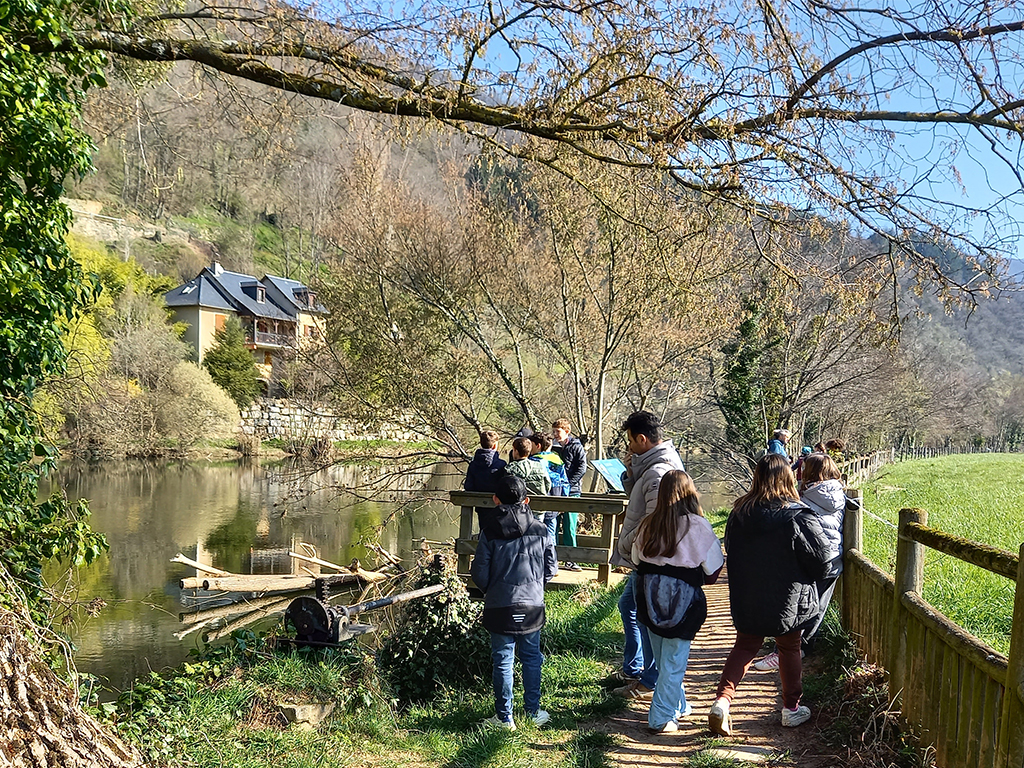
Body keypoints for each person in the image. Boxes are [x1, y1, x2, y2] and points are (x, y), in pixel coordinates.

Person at [708, 453, 830, 736]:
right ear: (788, 477)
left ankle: (722, 701)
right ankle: (791, 709)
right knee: (789, 648)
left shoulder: (738, 514)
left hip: (748, 596)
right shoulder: (798, 516)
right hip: (789, 598)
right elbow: (822, 559)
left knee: (745, 647)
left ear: (757, 478)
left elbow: (731, 552)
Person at [631, 470, 724, 733]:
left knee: (663, 659)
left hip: (648, 596)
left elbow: (637, 560)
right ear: (690, 493)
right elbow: (713, 571)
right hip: (683, 601)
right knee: (673, 661)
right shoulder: (698, 526)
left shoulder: (648, 523)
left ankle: (678, 706)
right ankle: (660, 718)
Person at [471, 475, 558, 730]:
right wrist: (536, 587)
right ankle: (532, 712)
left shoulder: (489, 531)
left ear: (495, 500)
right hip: (532, 604)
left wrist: (492, 590)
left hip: (500, 604)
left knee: (503, 660)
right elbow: (551, 568)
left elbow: (479, 572)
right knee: (532, 657)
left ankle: (504, 717)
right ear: (527, 500)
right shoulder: (541, 530)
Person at [610, 410, 685, 701]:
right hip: (647, 557)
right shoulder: (653, 466)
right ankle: (637, 670)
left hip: (650, 558)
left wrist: (630, 544)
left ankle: (648, 677)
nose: (628, 447)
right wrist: (630, 474)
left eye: (630, 441)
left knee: (639, 612)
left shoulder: (658, 472)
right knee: (630, 606)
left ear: (642, 439)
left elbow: (655, 519)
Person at [751, 452, 846, 671]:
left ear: (809, 471)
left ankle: (786, 652)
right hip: (832, 558)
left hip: (810, 556)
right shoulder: (836, 493)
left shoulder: (807, 497)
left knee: (797, 606)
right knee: (817, 607)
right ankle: (799, 649)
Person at [551, 418, 587, 572]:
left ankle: (571, 560)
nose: (555, 435)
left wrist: (569, 484)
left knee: (569, 526)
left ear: (567, 431)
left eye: (557, 431)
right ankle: (552, 559)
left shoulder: (576, 447)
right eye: (553, 432)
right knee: (552, 525)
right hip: (556, 492)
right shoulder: (552, 448)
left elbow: (582, 468)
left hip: (572, 492)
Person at [528, 432, 570, 543]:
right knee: (551, 530)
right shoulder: (557, 459)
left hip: (538, 500)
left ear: (538, 446)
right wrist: (564, 500)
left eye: (531, 444)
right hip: (555, 497)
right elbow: (565, 482)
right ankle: (552, 557)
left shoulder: (534, 461)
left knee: (536, 531)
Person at [464, 430, 507, 494]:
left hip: (475, 501)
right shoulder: (501, 464)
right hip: (496, 501)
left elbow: (468, 486)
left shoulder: (473, 464)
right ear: (495, 446)